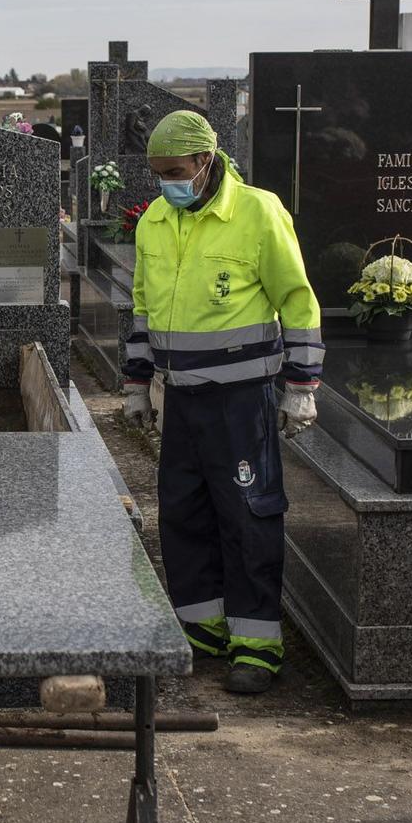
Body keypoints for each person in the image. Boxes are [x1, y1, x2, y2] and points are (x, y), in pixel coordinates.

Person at [122, 111, 322, 693]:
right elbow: (142, 307)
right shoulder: (157, 220)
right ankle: (202, 627)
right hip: (180, 399)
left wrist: (303, 386)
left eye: (176, 172)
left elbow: (298, 299)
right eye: (159, 173)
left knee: (248, 516)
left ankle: (256, 643)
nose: (167, 183)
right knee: (182, 513)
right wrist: (137, 383)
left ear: (206, 163)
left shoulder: (258, 213)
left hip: (241, 401)